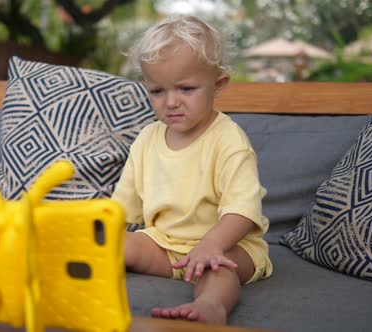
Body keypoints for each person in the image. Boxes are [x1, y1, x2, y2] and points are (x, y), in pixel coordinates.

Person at [112, 15, 273, 325]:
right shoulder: (146, 140)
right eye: (157, 91)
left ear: (218, 84)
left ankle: (211, 307)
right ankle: (60, 275)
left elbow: (243, 210)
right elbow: (119, 209)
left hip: (228, 247)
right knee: (116, 245)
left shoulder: (229, 140)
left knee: (219, 270)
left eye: (186, 89)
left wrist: (211, 245)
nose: (171, 102)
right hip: (165, 245)